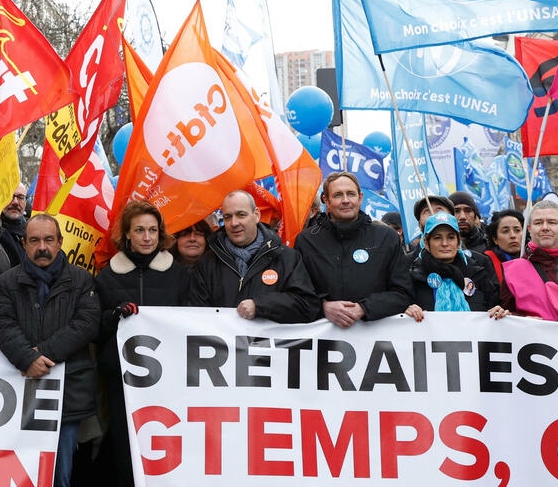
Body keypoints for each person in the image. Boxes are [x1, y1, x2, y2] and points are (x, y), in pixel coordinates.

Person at [0, 214, 99, 487]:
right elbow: (2, 324)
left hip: (68, 395)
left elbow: (86, 325)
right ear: (24, 243)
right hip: (17, 396)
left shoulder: (82, 280)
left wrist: (41, 355)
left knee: (60, 473)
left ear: (60, 242)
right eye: (35, 240)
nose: (42, 247)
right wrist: (27, 358)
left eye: (49, 240)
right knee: (19, 472)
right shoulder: (6, 282)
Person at [94, 200, 188, 487]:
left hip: (170, 381)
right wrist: (113, 318)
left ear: (161, 235)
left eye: (152, 230)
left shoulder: (179, 274)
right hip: (123, 381)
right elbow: (96, 328)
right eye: (139, 230)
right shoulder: (107, 276)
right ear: (127, 235)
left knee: (167, 447)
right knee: (127, 447)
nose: (147, 237)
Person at [295, 172, 412, 328]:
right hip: (323, 346)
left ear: (360, 197)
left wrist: (364, 308)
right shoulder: (306, 241)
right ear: (326, 201)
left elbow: (403, 293)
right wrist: (323, 307)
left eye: (351, 194)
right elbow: (296, 294)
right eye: (338, 195)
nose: (345, 200)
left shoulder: (386, 238)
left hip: (376, 343)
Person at [188, 191, 319, 322]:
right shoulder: (207, 263)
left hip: (267, 342)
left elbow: (307, 305)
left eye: (241, 215)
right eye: (228, 217)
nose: (234, 223)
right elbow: (195, 315)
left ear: (256, 215)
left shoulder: (286, 257)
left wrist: (261, 306)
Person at [404, 212, 506, 321]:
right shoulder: (413, 277)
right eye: (437, 238)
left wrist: (499, 311)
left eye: (451, 237)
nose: (444, 243)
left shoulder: (478, 274)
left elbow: (494, 305)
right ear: (426, 243)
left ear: (458, 243)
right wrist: (407, 310)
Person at [501, 200, 558, 319]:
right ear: (529, 229)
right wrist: (522, 320)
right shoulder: (513, 271)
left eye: (552, 222)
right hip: (532, 337)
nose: (545, 228)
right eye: (538, 223)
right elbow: (505, 317)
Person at [485, 209, 525, 284]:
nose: (513, 236)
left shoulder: (534, 259)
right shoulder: (486, 262)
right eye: (505, 231)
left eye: (517, 230)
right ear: (495, 239)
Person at [0, 183, 28, 267]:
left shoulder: (31, 232)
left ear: (25, 202)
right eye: (10, 196)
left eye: (20, 197)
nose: (15, 202)